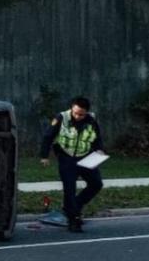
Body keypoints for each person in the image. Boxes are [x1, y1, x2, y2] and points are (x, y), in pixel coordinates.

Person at [39, 96, 105, 232]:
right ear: (71, 108)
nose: (78, 116)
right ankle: (74, 220)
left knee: (96, 184)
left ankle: (74, 206)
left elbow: (97, 137)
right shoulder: (61, 118)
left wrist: (100, 150)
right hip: (66, 157)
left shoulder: (92, 120)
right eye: (75, 113)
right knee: (70, 189)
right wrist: (44, 156)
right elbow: (48, 136)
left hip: (85, 156)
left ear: (86, 112)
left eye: (81, 114)